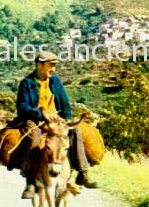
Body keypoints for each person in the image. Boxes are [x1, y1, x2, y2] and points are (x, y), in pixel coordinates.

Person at [15, 51, 98, 199]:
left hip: (56, 119)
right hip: (35, 119)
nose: (53, 69)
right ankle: (30, 182)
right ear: (39, 64)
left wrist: (66, 121)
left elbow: (65, 103)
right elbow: (23, 107)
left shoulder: (55, 81)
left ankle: (82, 172)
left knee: (75, 132)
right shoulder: (26, 83)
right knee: (34, 137)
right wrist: (41, 114)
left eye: (54, 65)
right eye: (51, 65)